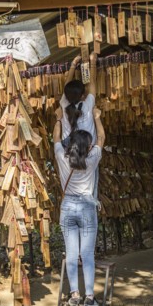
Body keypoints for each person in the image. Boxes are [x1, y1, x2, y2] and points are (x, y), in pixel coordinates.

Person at [53, 106, 105, 306]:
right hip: (86, 208)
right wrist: (97, 117)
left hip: (67, 207)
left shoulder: (61, 158)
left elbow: (56, 139)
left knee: (72, 253)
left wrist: (58, 119)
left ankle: (74, 295)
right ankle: (89, 297)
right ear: (88, 146)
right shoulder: (92, 160)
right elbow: (101, 137)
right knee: (87, 254)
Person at [58, 52, 99, 199]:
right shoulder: (87, 106)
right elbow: (92, 84)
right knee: (89, 185)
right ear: (83, 95)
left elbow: (66, 87)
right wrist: (92, 63)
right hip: (85, 147)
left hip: (68, 147)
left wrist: (73, 65)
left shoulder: (64, 104)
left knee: (71, 181)